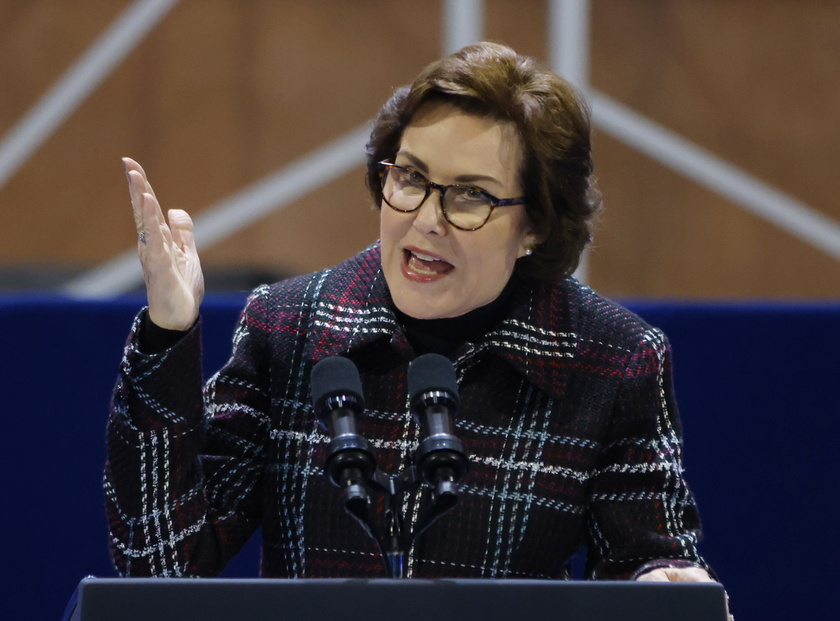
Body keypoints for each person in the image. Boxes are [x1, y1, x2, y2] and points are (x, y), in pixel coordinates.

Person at [106, 41, 718, 585]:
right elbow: (162, 564)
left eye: (471, 195)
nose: (427, 220)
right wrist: (167, 332)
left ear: (534, 224)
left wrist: (663, 582)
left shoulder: (611, 360)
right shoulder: (288, 328)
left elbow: (646, 563)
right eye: (411, 178)